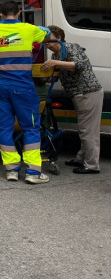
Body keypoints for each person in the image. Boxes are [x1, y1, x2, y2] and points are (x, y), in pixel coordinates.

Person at [0, 1, 49, 184]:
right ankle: (32, 172)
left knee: (4, 128)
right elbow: (46, 34)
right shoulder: (29, 29)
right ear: (19, 12)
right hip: (23, 86)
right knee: (30, 127)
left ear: (0, 13)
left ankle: (11, 170)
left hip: (0, 87)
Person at [41, 25, 103, 174]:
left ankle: (92, 165)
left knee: (88, 131)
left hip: (88, 92)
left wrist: (55, 64)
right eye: (45, 42)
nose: (48, 45)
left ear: (60, 38)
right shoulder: (55, 56)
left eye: (50, 41)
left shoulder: (70, 47)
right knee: (84, 129)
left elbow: (80, 65)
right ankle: (81, 159)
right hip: (79, 94)